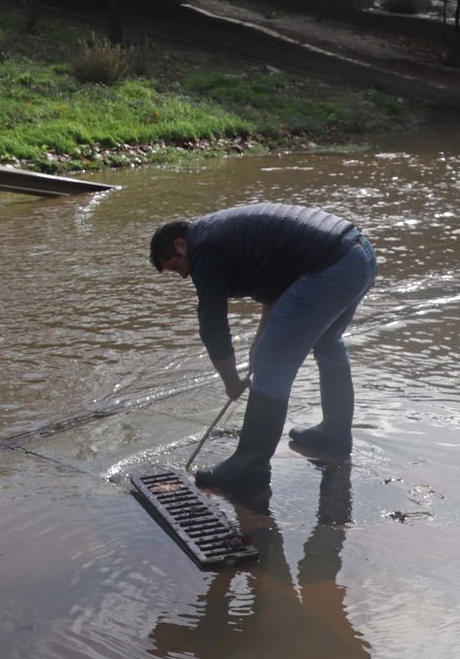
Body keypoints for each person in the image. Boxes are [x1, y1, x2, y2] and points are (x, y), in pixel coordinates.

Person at [149, 203, 377, 488]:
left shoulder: (204, 250)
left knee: (272, 363)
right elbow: (277, 293)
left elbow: (213, 326)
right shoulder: (223, 236)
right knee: (326, 342)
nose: (182, 275)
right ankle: (335, 434)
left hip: (331, 266)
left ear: (180, 244)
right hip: (358, 256)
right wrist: (258, 344)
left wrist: (231, 380)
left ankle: (248, 468)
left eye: (175, 266)